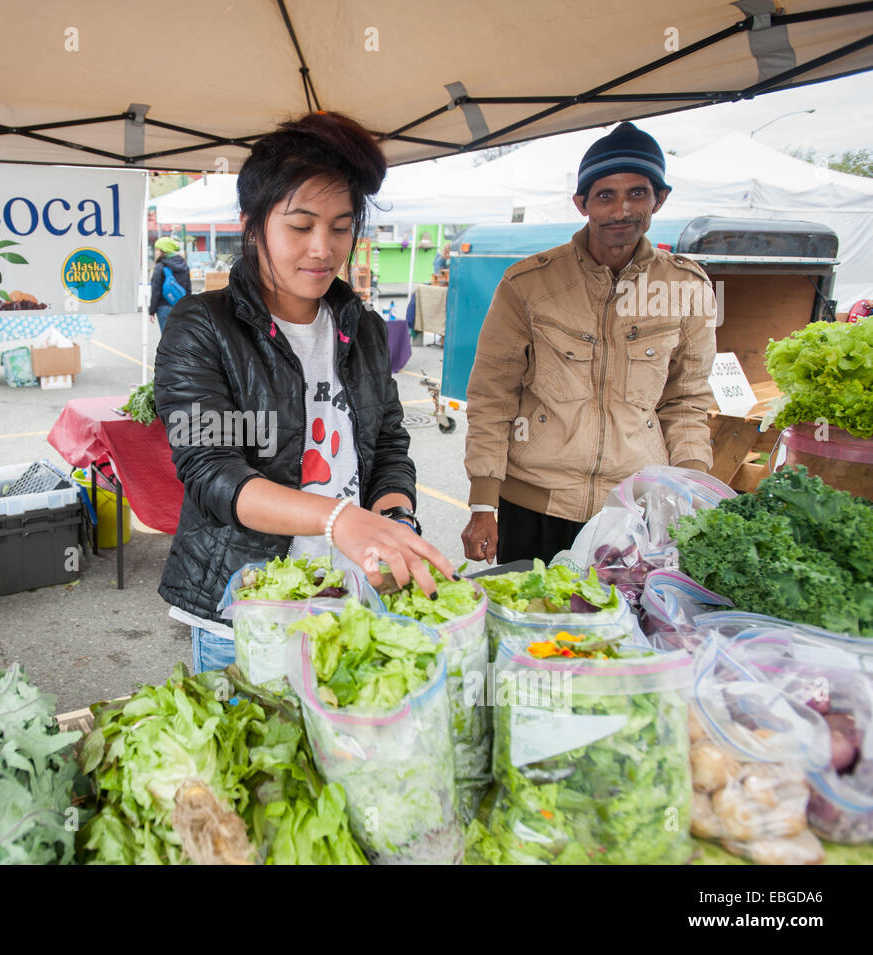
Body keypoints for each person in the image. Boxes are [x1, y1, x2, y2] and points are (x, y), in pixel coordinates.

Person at [154, 111, 457, 673]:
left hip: (350, 597)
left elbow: (388, 442)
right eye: (300, 225)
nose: (322, 248)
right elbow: (212, 470)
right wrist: (338, 518)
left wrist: (395, 518)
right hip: (247, 613)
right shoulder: (203, 325)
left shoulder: (360, 325)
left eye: (341, 227)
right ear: (253, 222)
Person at [461, 122, 716, 566]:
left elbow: (687, 400)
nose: (622, 209)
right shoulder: (529, 283)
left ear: (660, 198)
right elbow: (492, 395)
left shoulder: (686, 286)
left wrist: (688, 491)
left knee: (620, 631)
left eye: (638, 193)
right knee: (530, 626)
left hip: (633, 509)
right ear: (582, 203)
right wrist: (484, 502)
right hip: (536, 505)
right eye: (605, 195)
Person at [149, 236, 191, 333]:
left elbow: (156, 290)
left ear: (163, 250)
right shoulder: (184, 265)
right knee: (179, 338)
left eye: (157, 250)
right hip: (181, 307)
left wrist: (152, 310)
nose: (156, 252)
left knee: (167, 339)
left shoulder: (160, 266)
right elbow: (188, 289)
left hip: (164, 307)